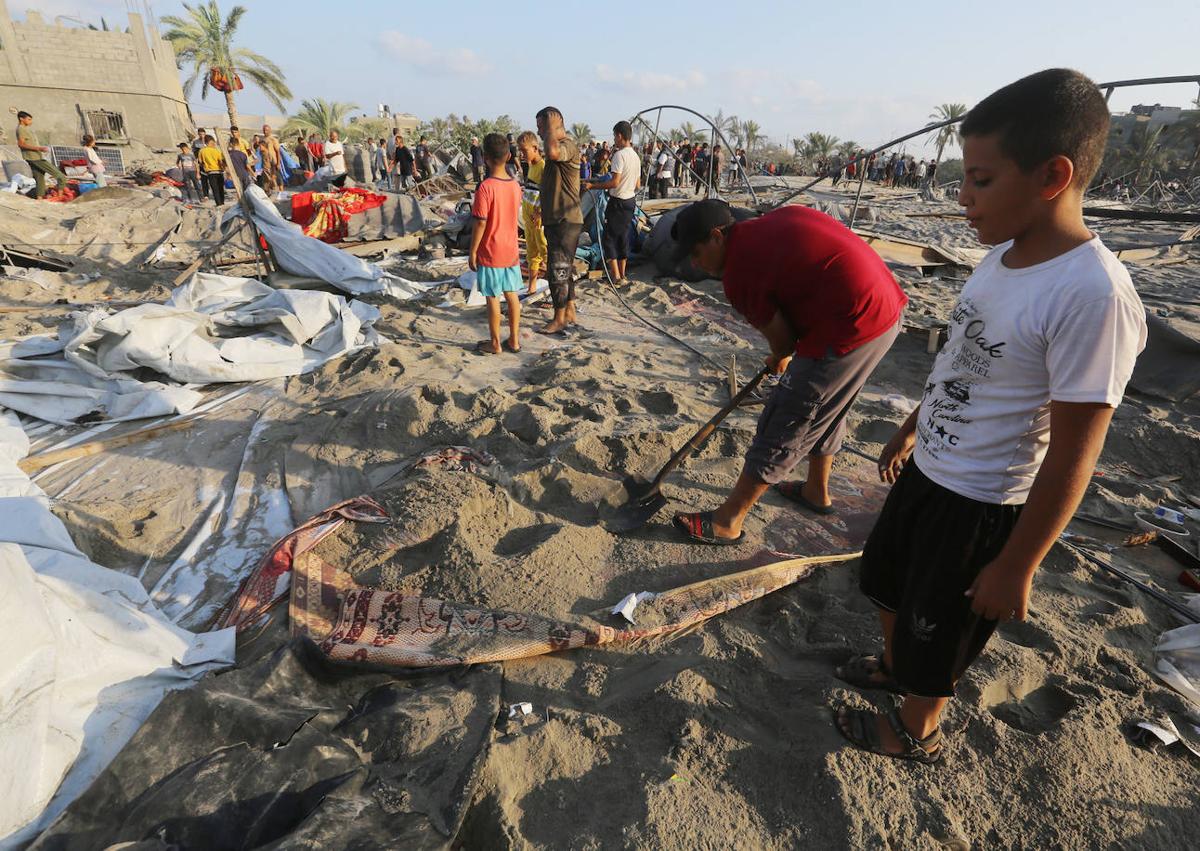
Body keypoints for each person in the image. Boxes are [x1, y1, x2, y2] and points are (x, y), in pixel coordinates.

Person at [831, 69, 1147, 765]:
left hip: (980, 505)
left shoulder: (1093, 295)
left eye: (979, 180)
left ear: (1052, 175)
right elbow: (962, 362)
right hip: (929, 470)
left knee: (938, 628)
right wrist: (914, 424)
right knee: (886, 581)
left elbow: (1073, 455)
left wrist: (1018, 562)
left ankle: (917, 728)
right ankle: (895, 666)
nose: (963, 199)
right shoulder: (998, 260)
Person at [670, 199, 906, 546]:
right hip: (884, 308)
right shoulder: (768, 223)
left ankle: (728, 521)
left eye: (696, 252)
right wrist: (782, 354)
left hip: (851, 322)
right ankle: (815, 491)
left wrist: (780, 356)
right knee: (828, 404)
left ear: (717, 236)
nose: (695, 263)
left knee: (792, 412)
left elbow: (784, 341)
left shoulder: (739, 272)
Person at [469, 133, 524, 355]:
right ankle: (514, 340)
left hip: (491, 251)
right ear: (509, 156)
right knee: (512, 295)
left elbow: (480, 224)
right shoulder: (515, 186)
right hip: (510, 250)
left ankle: (495, 343)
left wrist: (472, 251)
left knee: (492, 296)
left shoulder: (485, 187)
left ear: (485, 157)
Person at [535, 106, 583, 335]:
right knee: (565, 269)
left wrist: (552, 129)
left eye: (541, 126)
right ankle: (570, 310)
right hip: (558, 220)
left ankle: (559, 318)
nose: (540, 131)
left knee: (558, 270)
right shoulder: (558, 144)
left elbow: (553, 152)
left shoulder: (567, 145)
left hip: (565, 220)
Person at [582, 121, 640, 285]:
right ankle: (622, 275)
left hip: (618, 202)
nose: (614, 139)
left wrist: (593, 185)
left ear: (620, 136)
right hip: (630, 202)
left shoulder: (619, 155)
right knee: (622, 238)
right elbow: (638, 185)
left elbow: (614, 182)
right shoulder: (636, 156)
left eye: (615, 136)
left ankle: (615, 277)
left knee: (608, 238)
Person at [516, 131, 547, 292]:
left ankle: (551, 288)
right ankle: (532, 286)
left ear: (535, 148)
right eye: (520, 151)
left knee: (546, 251)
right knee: (532, 253)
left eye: (524, 151)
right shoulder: (531, 167)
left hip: (539, 221)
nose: (521, 155)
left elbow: (548, 195)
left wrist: (540, 213)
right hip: (529, 220)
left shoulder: (543, 167)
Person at [15, 112, 69, 200]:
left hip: (34, 157)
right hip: (34, 158)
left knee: (40, 178)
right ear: (21, 119)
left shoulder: (25, 128)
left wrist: (39, 149)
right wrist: (39, 148)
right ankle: (59, 198)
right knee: (61, 176)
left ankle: (39, 199)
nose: (31, 121)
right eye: (29, 119)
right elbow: (21, 144)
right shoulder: (21, 129)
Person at [197, 135, 226, 205]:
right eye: (213, 142)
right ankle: (222, 202)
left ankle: (218, 204)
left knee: (215, 189)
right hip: (219, 172)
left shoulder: (201, 151)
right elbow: (221, 162)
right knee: (220, 188)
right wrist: (223, 168)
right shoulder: (217, 151)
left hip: (210, 173)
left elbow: (200, 162)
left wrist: (205, 166)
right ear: (210, 142)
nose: (214, 144)